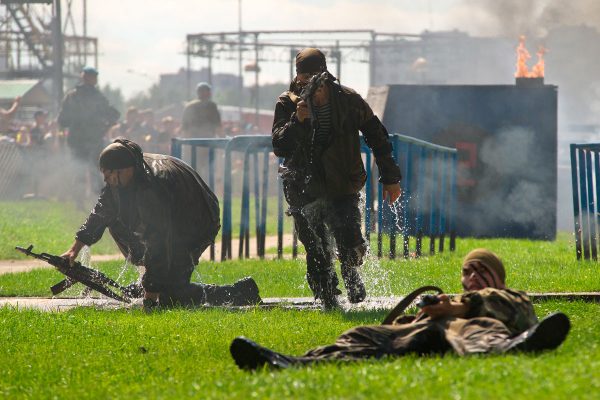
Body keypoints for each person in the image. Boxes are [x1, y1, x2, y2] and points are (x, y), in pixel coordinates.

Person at [230, 248, 571, 370]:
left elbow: (522, 311)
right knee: (360, 334)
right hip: (421, 335)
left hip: (466, 332)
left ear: (497, 278)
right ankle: (296, 362)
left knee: (482, 331)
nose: (472, 277)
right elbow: (407, 322)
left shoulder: (505, 296)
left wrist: (462, 307)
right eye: (468, 271)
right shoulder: (442, 298)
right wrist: (421, 315)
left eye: (482, 271)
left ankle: (517, 348)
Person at [61, 138, 261, 310]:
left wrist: (150, 296)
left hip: (197, 221)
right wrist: (74, 249)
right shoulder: (124, 176)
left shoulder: (152, 186)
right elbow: (102, 210)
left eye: (109, 174)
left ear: (125, 170)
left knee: (172, 296)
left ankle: (240, 292)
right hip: (174, 217)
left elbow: (158, 240)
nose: (106, 179)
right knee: (156, 275)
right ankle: (151, 282)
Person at [272, 48, 402, 308]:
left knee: (352, 243)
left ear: (325, 76)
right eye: (303, 78)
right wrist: (298, 121)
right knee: (317, 251)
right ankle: (328, 299)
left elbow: (377, 135)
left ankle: (352, 275)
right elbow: (280, 147)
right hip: (303, 188)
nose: (309, 85)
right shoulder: (288, 103)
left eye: (314, 79)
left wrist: (390, 177)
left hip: (343, 185)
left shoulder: (348, 100)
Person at [58, 66, 120, 202]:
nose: (94, 79)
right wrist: (104, 126)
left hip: (84, 140)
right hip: (87, 139)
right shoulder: (95, 97)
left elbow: (62, 121)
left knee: (88, 170)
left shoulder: (74, 96)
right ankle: (94, 200)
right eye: (92, 76)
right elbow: (113, 114)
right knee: (90, 170)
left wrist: (104, 127)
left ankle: (88, 200)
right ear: (86, 78)